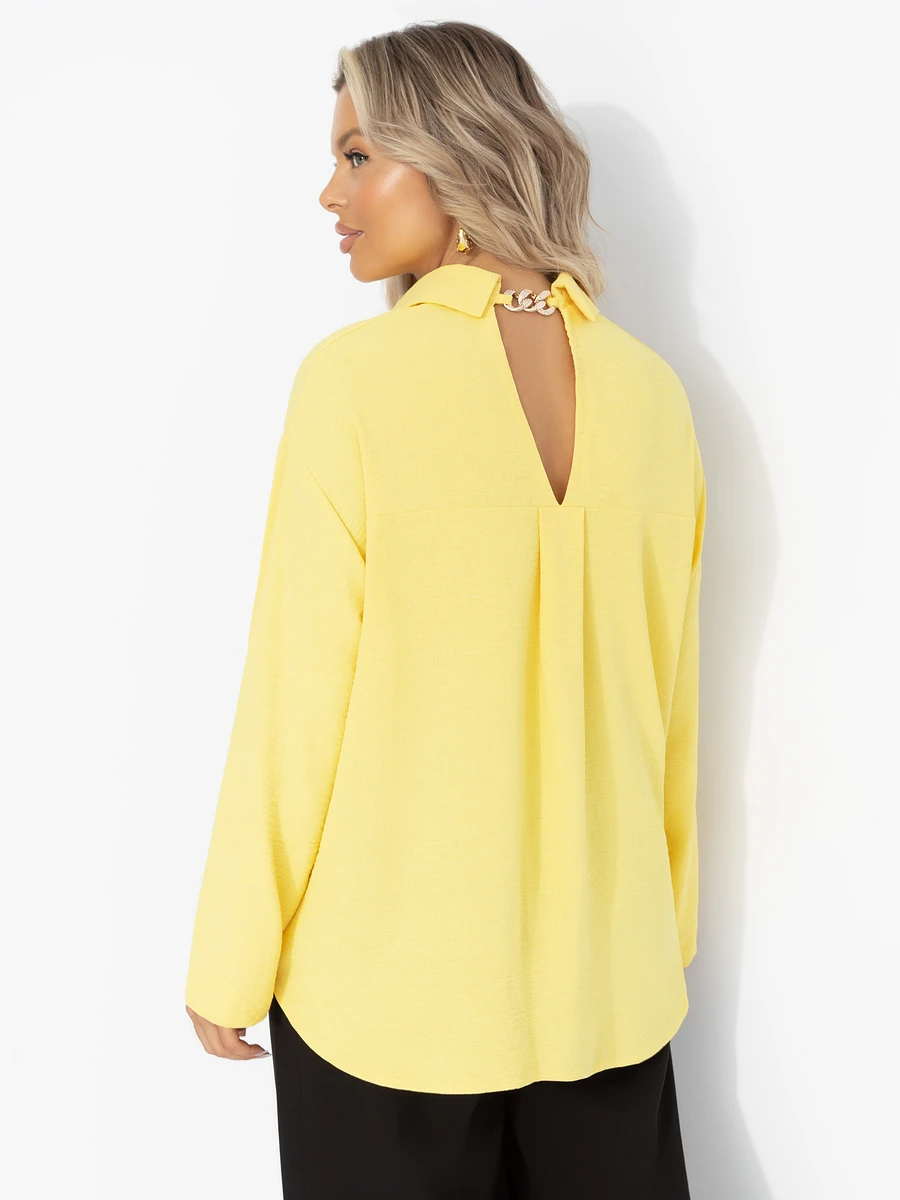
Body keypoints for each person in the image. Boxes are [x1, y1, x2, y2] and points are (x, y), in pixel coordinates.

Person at [184, 19, 705, 1200]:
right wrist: (654, 936)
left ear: (456, 153)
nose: (332, 193)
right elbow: (669, 705)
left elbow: (294, 702)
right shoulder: (652, 394)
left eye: (358, 156)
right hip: (606, 990)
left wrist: (232, 952)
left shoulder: (356, 383)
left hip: (390, 1001)